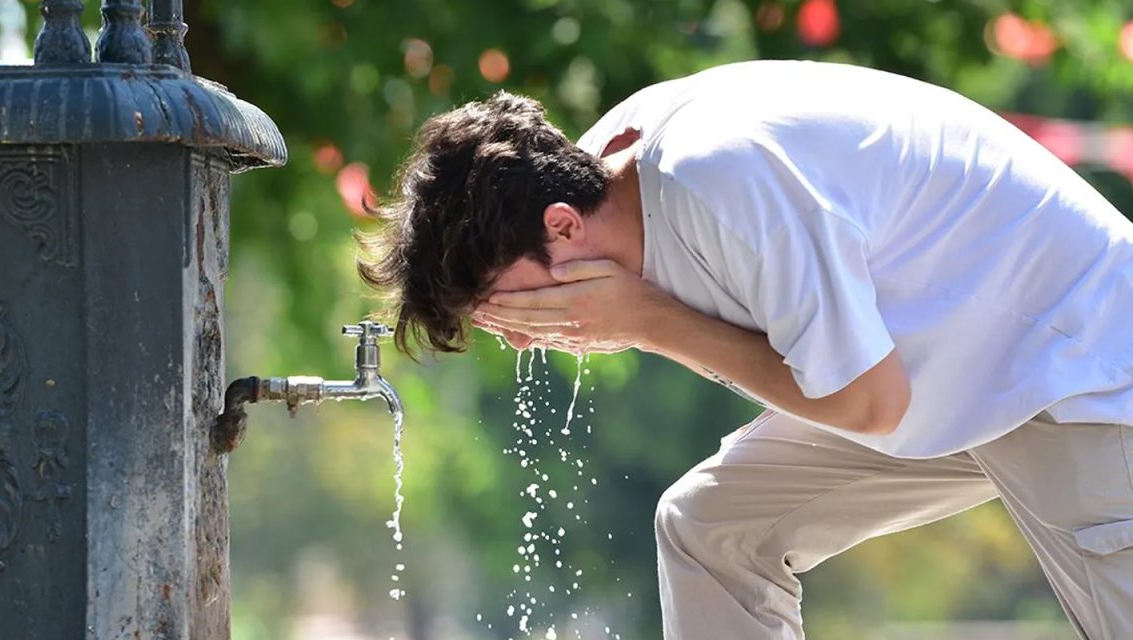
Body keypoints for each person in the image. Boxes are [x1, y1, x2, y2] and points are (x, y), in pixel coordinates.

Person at [357, 59, 1133, 639]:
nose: (521, 334)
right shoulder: (610, 182)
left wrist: (649, 321)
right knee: (709, 530)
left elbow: (869, 402)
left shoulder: (717, 180)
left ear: (562, 226)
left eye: (507, 305)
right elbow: (850, 384)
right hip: (930, 366)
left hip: (1070, 359)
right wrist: (643, 315)